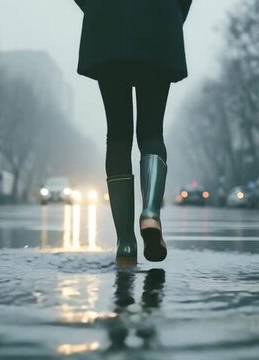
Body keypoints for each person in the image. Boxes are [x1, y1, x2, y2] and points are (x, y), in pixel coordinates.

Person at [73, 0, 192, 266]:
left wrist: (98, 9)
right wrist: (170, 12)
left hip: (107, 20)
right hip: (159, 19)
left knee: (117, 134)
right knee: (151, 132)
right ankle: (150, 213)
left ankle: (125, 242)